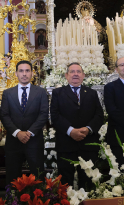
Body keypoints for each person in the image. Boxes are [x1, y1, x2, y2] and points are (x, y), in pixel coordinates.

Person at [50, 62, 103, 190]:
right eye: (72, 72)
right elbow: (55, 116)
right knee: (66, 182)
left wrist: (87, 129)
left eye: (78, 72)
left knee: (88, 182)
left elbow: (99, 115)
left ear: (83, 75)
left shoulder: (91, 93)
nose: (75, 74)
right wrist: (71, 131)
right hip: (66, 144)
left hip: (88, 143)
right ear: (66, 75)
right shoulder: (58, 93)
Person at [0, 60, 48, 184]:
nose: (24, 74)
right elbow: (4, 115)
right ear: (16, 73)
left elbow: (43, 114)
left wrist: (29, 132)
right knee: (13, 177)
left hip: (34, 141)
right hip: (14, 142)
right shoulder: (7, 93)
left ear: (32, 73)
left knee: (38, 176)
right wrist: (17, 133)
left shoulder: (41, 92)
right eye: (21, 71)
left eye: (27, 71)